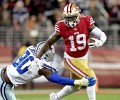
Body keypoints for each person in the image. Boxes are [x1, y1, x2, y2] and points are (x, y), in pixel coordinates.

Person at [36, 3, 107, 100]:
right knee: (91, 77)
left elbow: (102, 34)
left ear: (78, 14)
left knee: (75, 86)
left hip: (83, 58)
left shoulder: (86, 20)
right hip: (71, 59)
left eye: (72, 17)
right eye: (67, 18)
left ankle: (55, 97)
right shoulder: (61, 26)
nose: (70, 20)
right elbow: (48, 42)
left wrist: (101, 41)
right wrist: (37, 57)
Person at [0, 41, 96, 100]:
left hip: (3, 73)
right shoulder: (42, 68)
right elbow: (58, 79)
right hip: (4, 84)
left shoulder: (30, 49)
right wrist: (79, 81)